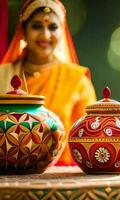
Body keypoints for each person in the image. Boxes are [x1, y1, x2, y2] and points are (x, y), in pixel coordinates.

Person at [0, 0, 97, 165]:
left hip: (63, 176)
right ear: (23, 31)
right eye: (36, 26)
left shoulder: (76, 80)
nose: (45, 35)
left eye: (53, 27)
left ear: (62, 32)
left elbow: (90, 138)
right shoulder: (3, 74)